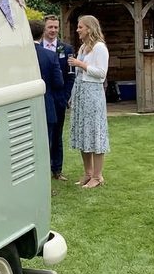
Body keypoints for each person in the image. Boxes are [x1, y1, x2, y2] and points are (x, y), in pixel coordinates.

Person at [67, 15, 109, 188]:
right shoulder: (83, 47)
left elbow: (101, 73)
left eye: (80, 27)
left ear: (90, 29)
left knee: (94, 133)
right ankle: (88, 173)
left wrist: (80, 64)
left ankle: (98, 177)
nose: (78, 30)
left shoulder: (100, 48)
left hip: (93, 94)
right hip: (81, 92)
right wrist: (72, 95)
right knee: (83, 133)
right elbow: (78, 74)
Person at [41, 15, 75, 181]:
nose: (53, 30)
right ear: (44, 29)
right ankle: (43, 169)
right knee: (43, 134)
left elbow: (70, 76)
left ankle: (57, 169)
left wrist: (66, 96)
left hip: (59, 98)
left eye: (55, 27)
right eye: (50, 27)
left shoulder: (66, 48)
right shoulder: (36, 47)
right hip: (42, 97)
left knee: (57, 135)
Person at [31, 20, 64, 162]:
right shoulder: (50, 56)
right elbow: (59, 82)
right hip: (46, 104)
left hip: (24, 107)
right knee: (46, 142)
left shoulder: (17, 55)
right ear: (42, 33)